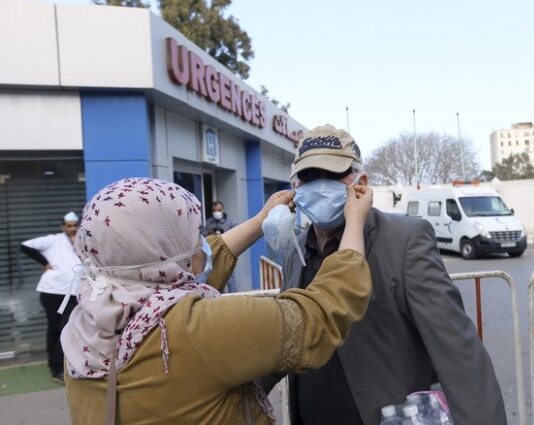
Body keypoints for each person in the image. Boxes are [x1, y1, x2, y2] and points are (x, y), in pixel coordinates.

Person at [61, 177, 373, 424]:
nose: (200, 242)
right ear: (161, 246)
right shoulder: (196, 328)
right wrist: (355, 223)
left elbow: (195, 269)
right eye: (192, 232)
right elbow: (316, 318)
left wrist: (260, 221)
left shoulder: (91, 316)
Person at [261, 125, 507, 425]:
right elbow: (290, 338)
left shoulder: (404, 240)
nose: (319, 185)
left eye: (332, 174)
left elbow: (457, 350)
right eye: (309, 177)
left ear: (361, 181)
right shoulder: (294, 252)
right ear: (294, 186)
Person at [20, 211, 81, 383]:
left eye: (75, 225)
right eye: (69, 226)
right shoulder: (53, 240)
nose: (72, 229)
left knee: (67, 329)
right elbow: (26, 246)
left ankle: (63, 364)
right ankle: (55, 368)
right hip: (53, 292)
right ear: (63, 227)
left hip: (74, 293)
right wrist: (45, 263)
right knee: (54, 328)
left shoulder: (81, 241)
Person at [202, 200, 239, 292]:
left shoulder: (230, 221)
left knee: (230, 277)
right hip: (213, 252)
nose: (216, 213)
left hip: (227, 251)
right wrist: (210, 232)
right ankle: (218, 296)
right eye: (214, 211)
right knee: (215, 276)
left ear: (222, 210)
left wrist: (225, 233)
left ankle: (234, 296)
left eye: (218, 210)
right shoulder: (209, 222)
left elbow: (237, 232)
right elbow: (203, 234)